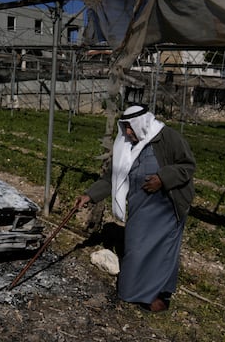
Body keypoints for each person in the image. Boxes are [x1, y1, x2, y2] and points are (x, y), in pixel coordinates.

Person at [74, 104, 196, 312]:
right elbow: (112, 177)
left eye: (130, 127)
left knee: (162, 251)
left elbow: (187, 166)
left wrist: (162, 178)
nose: (127, 132)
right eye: (125, 127)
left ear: (142, 124)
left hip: (166, 206)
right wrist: (89, 195)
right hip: (141, 205)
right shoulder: (125, 145)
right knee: (136, 247)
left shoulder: (167, 137)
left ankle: (158, 296)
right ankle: (133, 292)